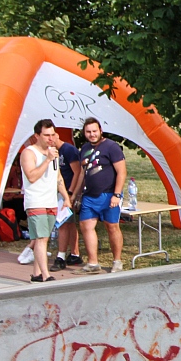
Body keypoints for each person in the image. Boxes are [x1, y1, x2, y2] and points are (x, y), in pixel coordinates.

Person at [19, 119, 71, 282]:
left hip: (51, 201)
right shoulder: (29, 153)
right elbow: (32, 176)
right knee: (41, 238)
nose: (51, 138)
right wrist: (47, 159)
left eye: (53, 134)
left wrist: (66, 198)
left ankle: (36, 273)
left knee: (43, 238)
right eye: (46, 135)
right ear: (37, 136)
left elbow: (58, 177)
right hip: (36, 201)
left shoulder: (53, 152)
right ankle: (45, 274)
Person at [75, 117, 127, 274]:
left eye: (94, 131)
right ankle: (93, 263)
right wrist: (76, 195)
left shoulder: (111, 147)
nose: (92, 134)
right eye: (88, 132)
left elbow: (121, 172)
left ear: (100, 131)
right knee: (86, 226)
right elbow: (82, 173)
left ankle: (117, 261)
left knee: (112, 226)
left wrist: (116, 194)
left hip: (109, 194)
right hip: (89, 196)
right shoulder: (84, 149)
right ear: (84, 133)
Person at [51, 128, 83, 270]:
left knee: (63, 223)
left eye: (52, 136)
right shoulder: (52, 153)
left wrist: (71, 193)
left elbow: (77, 172)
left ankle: (61, 256)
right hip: (59, 191)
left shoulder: (68, 150)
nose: (50, 140)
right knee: (68, 223)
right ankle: (75, 253)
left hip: (67, 192)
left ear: (57, 136)